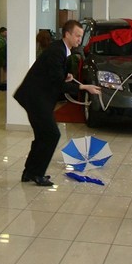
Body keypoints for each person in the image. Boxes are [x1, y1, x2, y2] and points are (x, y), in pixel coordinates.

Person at [15, 20, 101, 186]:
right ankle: (37, 174)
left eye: (81, 36)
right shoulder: (57, 51)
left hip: (38, 97)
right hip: (35, 98)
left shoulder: (61, 49)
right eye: (77, 35)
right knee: (51, 135)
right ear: (67, 34)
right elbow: (58, 84)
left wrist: (65, 76)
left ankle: (29, 172)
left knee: (42, 136)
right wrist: (84, 87)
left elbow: (54, 75)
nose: (79, 39)